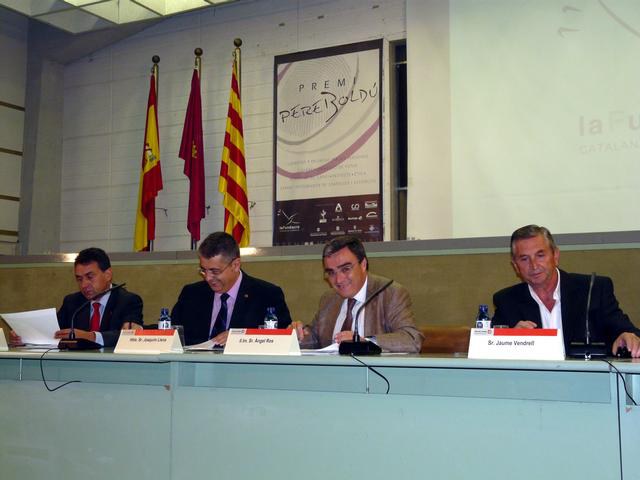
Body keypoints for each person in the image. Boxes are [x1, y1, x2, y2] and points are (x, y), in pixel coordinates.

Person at [492, 225, 640, 357]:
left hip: (589, 377)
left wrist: (627, 336)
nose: (534, 265)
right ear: (516, 267)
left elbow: (628, 332)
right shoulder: (506, 301)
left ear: (555, 256)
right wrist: (510, 341)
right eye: (524, 259)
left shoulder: (593, 290)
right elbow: (489, 350)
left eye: (540, 255)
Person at [292, 235, 423, 353]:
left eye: (345, 269)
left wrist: (364, 342)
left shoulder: (390, 293)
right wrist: (297, 336)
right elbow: (315, 339)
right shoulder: (329, 298)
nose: (338, 280)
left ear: (363, 264)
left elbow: (412, 339)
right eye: (331, 273)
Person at [171, 232, 292, 346]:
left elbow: (282, 340)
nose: (208, 278)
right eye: (203, 270)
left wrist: (240, 339)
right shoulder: (191, 294)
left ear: (235, 265)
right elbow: (171, 335)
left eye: (215, 271)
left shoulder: (267, 295)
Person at [11, 247, 143, 348]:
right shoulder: (72, 302)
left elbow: (129, 336)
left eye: (90, 277)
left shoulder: (128, 301)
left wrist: (90, 336)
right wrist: (26, 338)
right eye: (79, 279)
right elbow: (53, 332)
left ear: (108, 274)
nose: (84, 285)